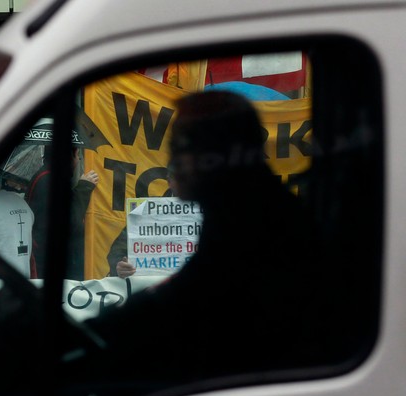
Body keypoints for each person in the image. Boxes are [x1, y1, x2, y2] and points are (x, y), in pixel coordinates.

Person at [78, 90, 326, 379]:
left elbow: (188, 297)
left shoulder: (254, 221)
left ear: (214, 156)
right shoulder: (245, 208)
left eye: (180, 148)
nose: (173, 162)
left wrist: (105, 332)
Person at [25, 144, 99, 280]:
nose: (78, 162)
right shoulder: (52, 181)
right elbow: (71, 222)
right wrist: (83, 188)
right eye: (78, 157)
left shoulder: (45, 176)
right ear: (72, 154)